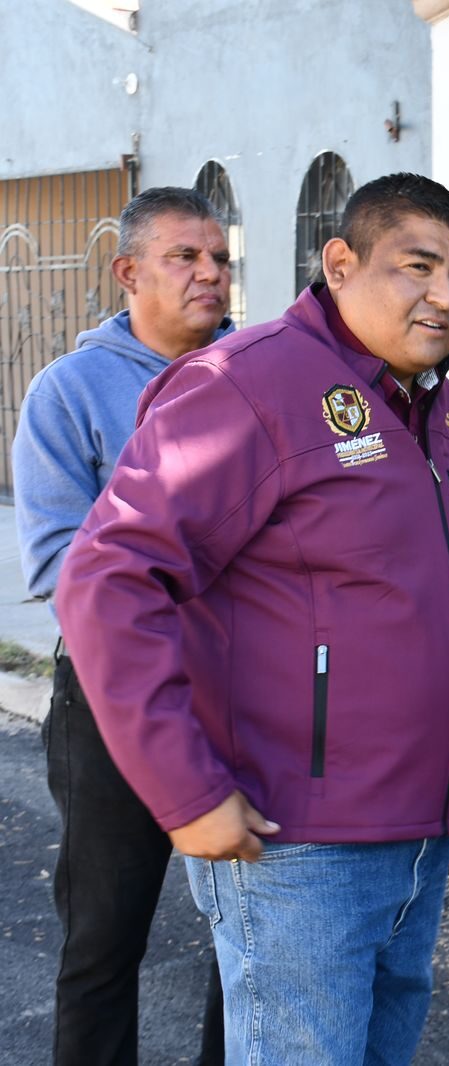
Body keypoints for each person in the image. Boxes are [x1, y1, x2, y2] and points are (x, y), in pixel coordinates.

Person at [54, 173, 449, 1064]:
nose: (445, 296)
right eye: (417, 267)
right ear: (340, 264)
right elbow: (108, 578)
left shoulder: (436, 406)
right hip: (302, 845)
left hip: (419, 831)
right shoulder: (246, 384)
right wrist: (184, 789)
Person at [11, 185, 232, 1066]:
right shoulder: (69, 392)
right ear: (129, 272)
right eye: (186, 257)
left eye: (219, 258)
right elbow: (59, 565)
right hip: (113, 701)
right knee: (104, 940)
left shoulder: (260, 373)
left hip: (247, 691)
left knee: (252, 937)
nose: (210, 273)